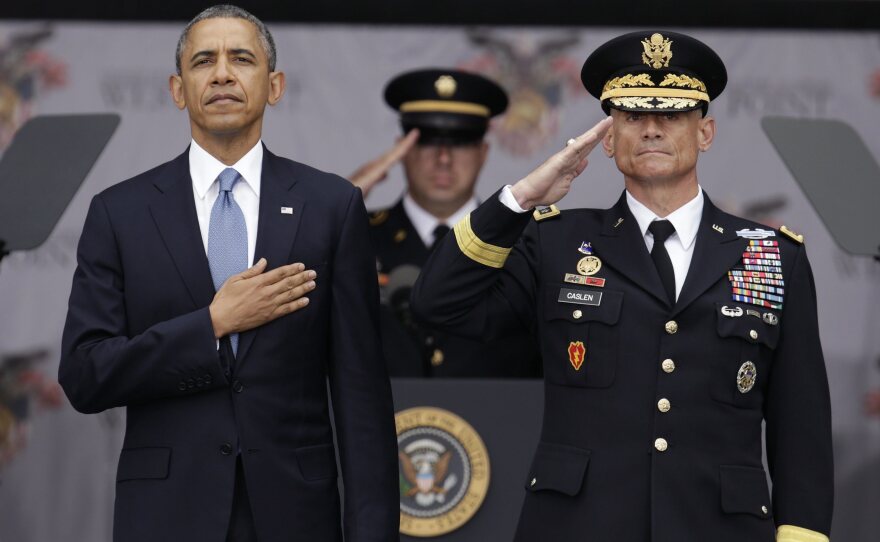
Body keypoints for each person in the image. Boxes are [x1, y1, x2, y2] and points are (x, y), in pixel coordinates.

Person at [412, 31, 832, 541]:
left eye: (672, 116)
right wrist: (519, 199)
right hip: (578, 526)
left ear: (706, 133)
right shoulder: (555, 241)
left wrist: (802, 533)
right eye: (633, 117)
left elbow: (801, 422)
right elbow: (438, 304)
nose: (652, 130)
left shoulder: (770, 253)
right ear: (608, 139)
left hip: (718, 528)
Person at [58, 6, 398, 541]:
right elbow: (84, 374)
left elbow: (361, 396)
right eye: (202, 61)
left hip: (296, 514)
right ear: (177, 89)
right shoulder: (119, 212)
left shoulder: (330, 205)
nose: (221, 74)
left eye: (241, 58)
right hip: (167, 514)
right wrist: (212, 324)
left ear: (275, 85)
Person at [350, 68, 541, 377]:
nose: (443, 158)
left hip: (499, 422)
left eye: (460, 142)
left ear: (483, 152)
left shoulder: (525, 242)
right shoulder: (355, 234)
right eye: (427, 141)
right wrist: (338, 201)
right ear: (402, 150)